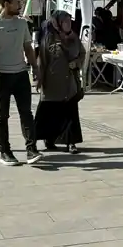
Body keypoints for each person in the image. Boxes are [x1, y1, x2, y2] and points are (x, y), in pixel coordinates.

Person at [0, 0, 41, 166]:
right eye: (17, 2)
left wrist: (35, 68)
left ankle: (31, 149)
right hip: (1, 75)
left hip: (21, 74)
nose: (20, 5)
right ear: (6, 4)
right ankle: (5, 152)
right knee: (2, 115)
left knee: (26, 113)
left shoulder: (22, 24)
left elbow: (28, 47)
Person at [35, 10, 85, 153]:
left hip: (70, 82)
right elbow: (42, 60)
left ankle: (71, 142)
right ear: (57, 23)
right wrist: (39, 79)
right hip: (52, 81)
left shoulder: (74, 37)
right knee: (50, 112)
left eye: (70, 21)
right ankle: (48, 139)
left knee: (70, 112)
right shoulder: (48, 38)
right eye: (65, 21)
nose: (68, 24)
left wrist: (76, 63)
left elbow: (82, 53)